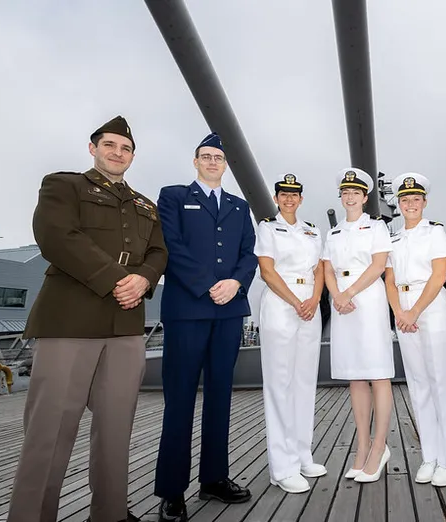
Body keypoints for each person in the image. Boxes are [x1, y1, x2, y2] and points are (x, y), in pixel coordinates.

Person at [7, 116, 168, 522]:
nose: (118, 153)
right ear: (93, 148)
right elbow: (56, 236)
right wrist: (120, 280)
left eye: (126, 148)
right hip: (70, 322)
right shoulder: (64, 186)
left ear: (132, 156)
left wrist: (145, 278)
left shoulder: (145, 204)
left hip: (126, 326)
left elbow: (158, 252)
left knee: (116, 427)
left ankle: (110, 513)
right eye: (110, 145)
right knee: (51, 430)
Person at [154, 133, 257, 521]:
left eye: (219, 157)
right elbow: (170, 245)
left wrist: (235, 283)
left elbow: (249, 252)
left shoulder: (238, 205)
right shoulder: (174, 196)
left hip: (229, 312)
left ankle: (214, 478)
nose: (213, 162)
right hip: (188, 310)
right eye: (206, 156)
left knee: (220, 397)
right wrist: (206, 285)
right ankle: (171, 491)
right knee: (179, 400)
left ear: (225, 164)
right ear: (195, 161)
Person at [384, 173, 446, 487]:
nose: (410, 204)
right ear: (399, 204)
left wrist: (414, 311)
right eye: (405, 200)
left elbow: (439, 275)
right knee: (418, 384)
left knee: (440, 380)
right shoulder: (393, 238)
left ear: (424, 202)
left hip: (431, 307)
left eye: (416, 199)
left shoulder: (435, 232)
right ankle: (430, 455)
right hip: (403, 307)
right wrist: (399, 312)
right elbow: (389, 279)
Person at [255, 173, 327, 493]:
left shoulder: (312, 231)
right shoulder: (268, 228)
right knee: (280, 384)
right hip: (282, 306)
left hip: (310, 306)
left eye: (294, 194)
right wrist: (298, 301)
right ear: (276, 198)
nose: (289, 199)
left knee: (303, 382)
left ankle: (301, 454)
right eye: (283, 194)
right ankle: (282, 467)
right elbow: (267, 271)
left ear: (300, 198)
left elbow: (320, 269)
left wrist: (313, 300)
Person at [321, 168, 394, 483]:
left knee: (378, 374)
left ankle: (380, 447)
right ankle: (361, 448)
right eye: (345, 193)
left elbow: (379, 265)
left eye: (356, 193)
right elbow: (326, 268)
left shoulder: (376, 227)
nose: (349, 197)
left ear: (365, 197)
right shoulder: (333, 233)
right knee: (354, 376)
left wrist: (347, 293)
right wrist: (337, 296)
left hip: (367, 298)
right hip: (342, 303)